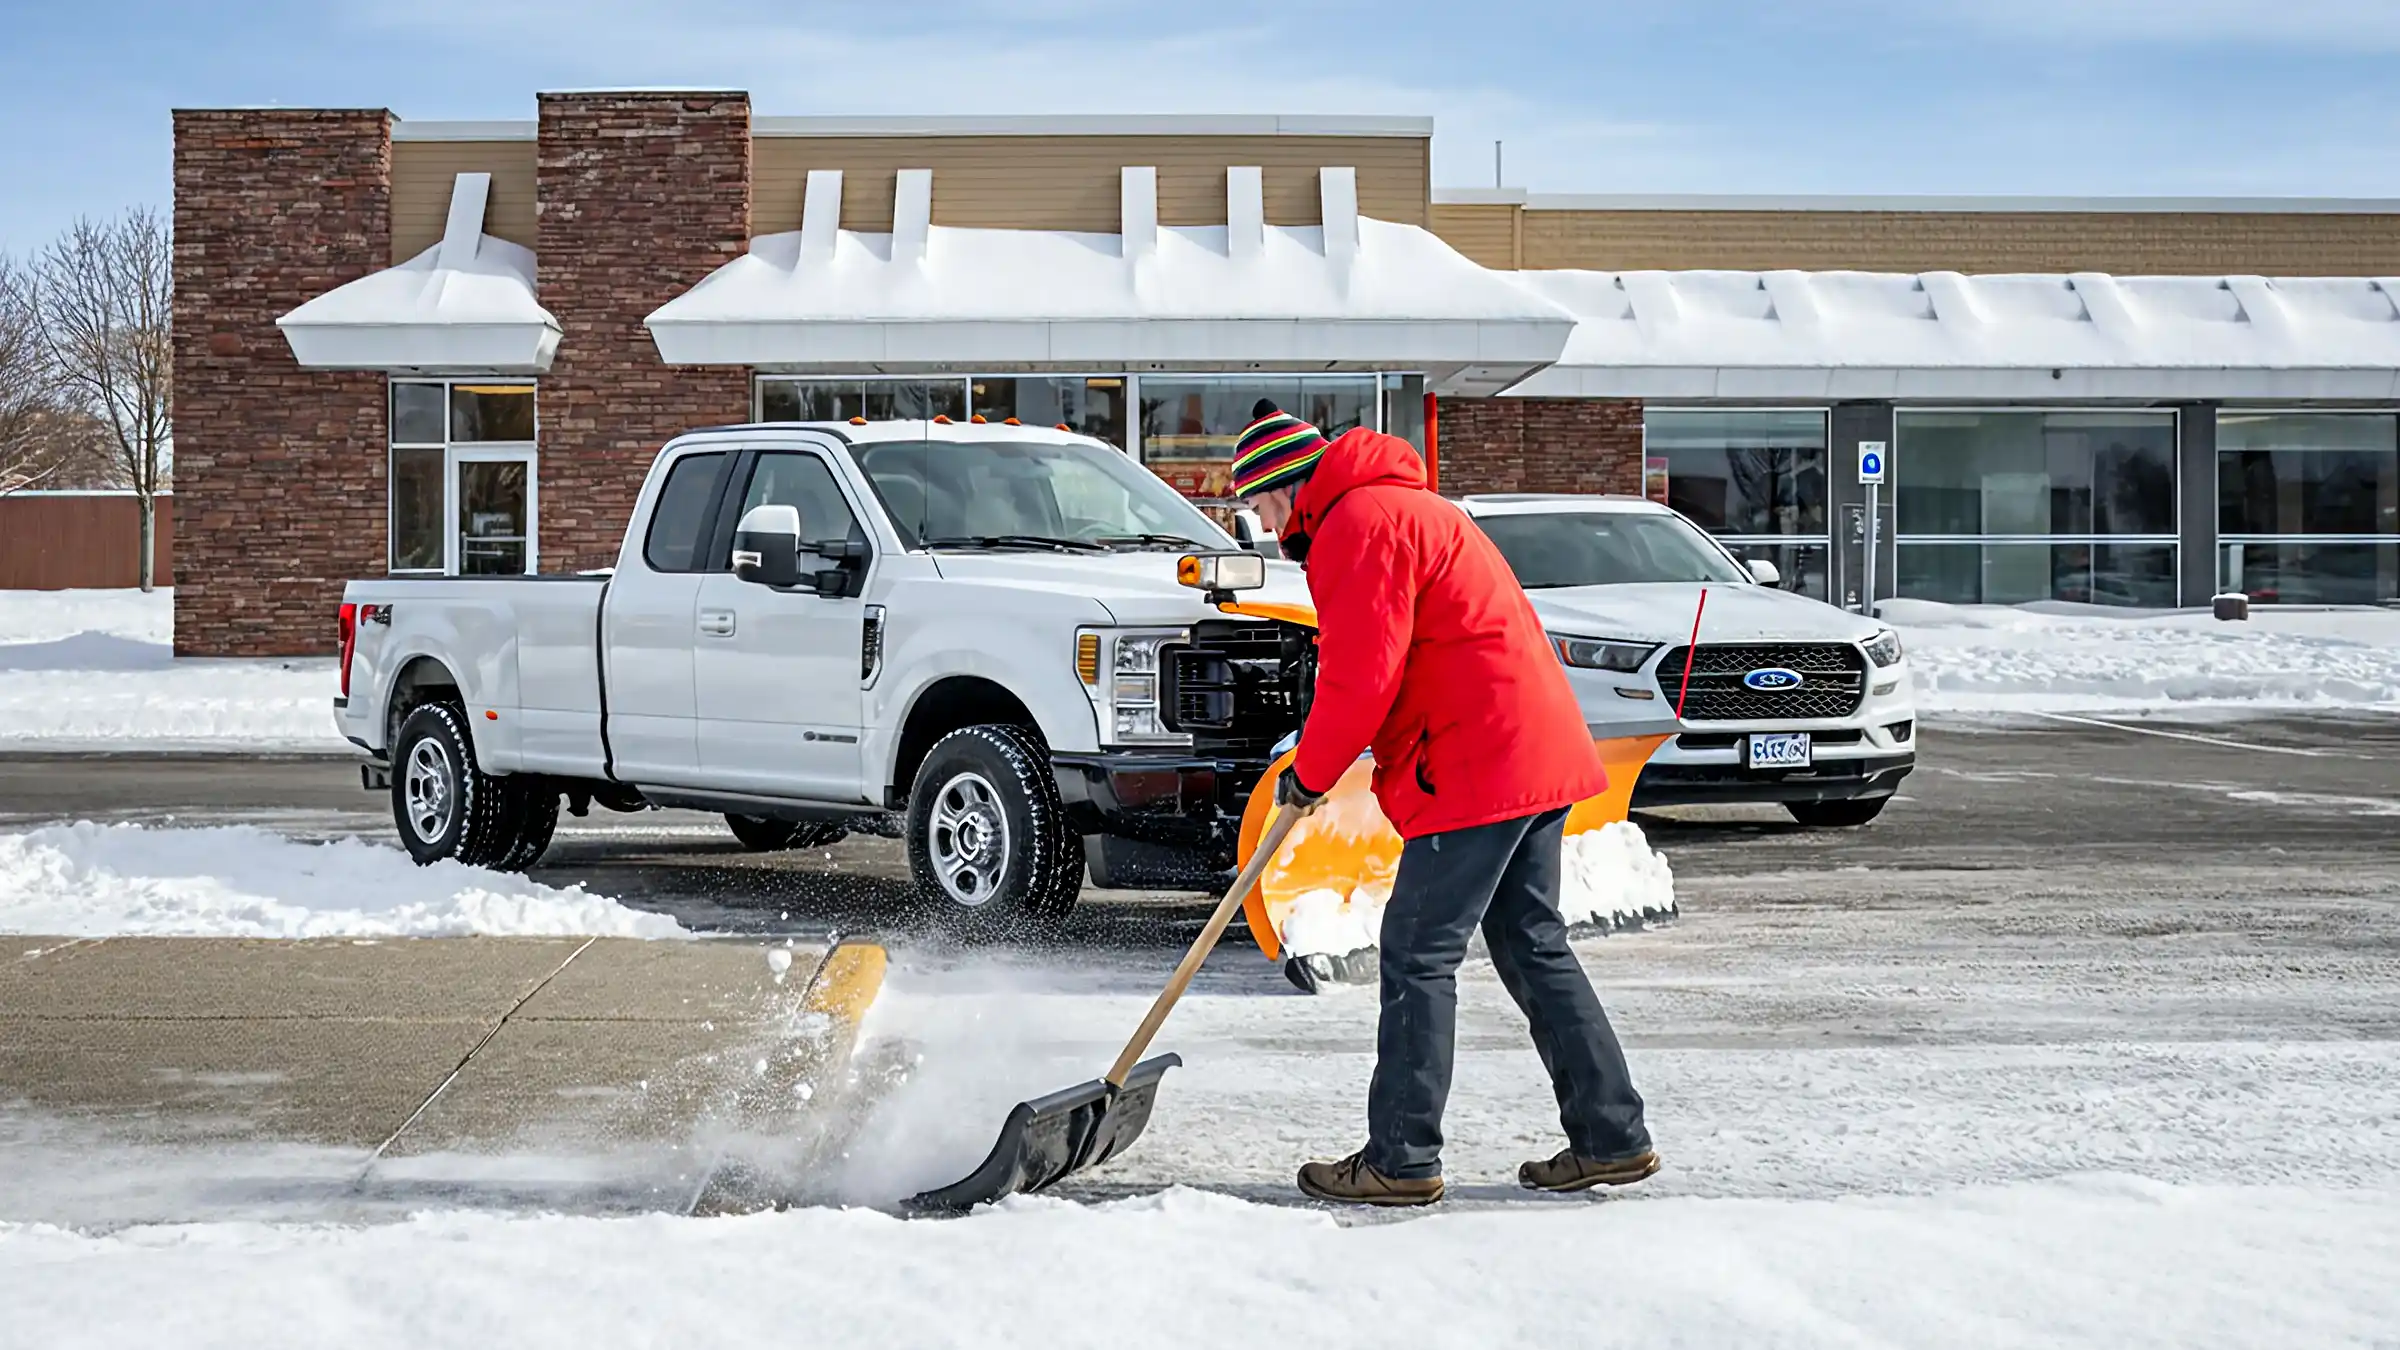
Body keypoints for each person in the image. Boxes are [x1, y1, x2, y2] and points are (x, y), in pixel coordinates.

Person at [1228, 400, 1658, 1206]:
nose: (1262, 525)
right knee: (1532, 943)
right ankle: (1610, 1135)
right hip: (1531, 745)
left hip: (1477, 758)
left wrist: (1310, 773)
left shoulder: (1358, 521)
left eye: (1257, 506)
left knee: (1418, 949)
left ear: (1284, 488)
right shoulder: (1408, 505)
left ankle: (1401, 1156)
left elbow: (1362, 676)